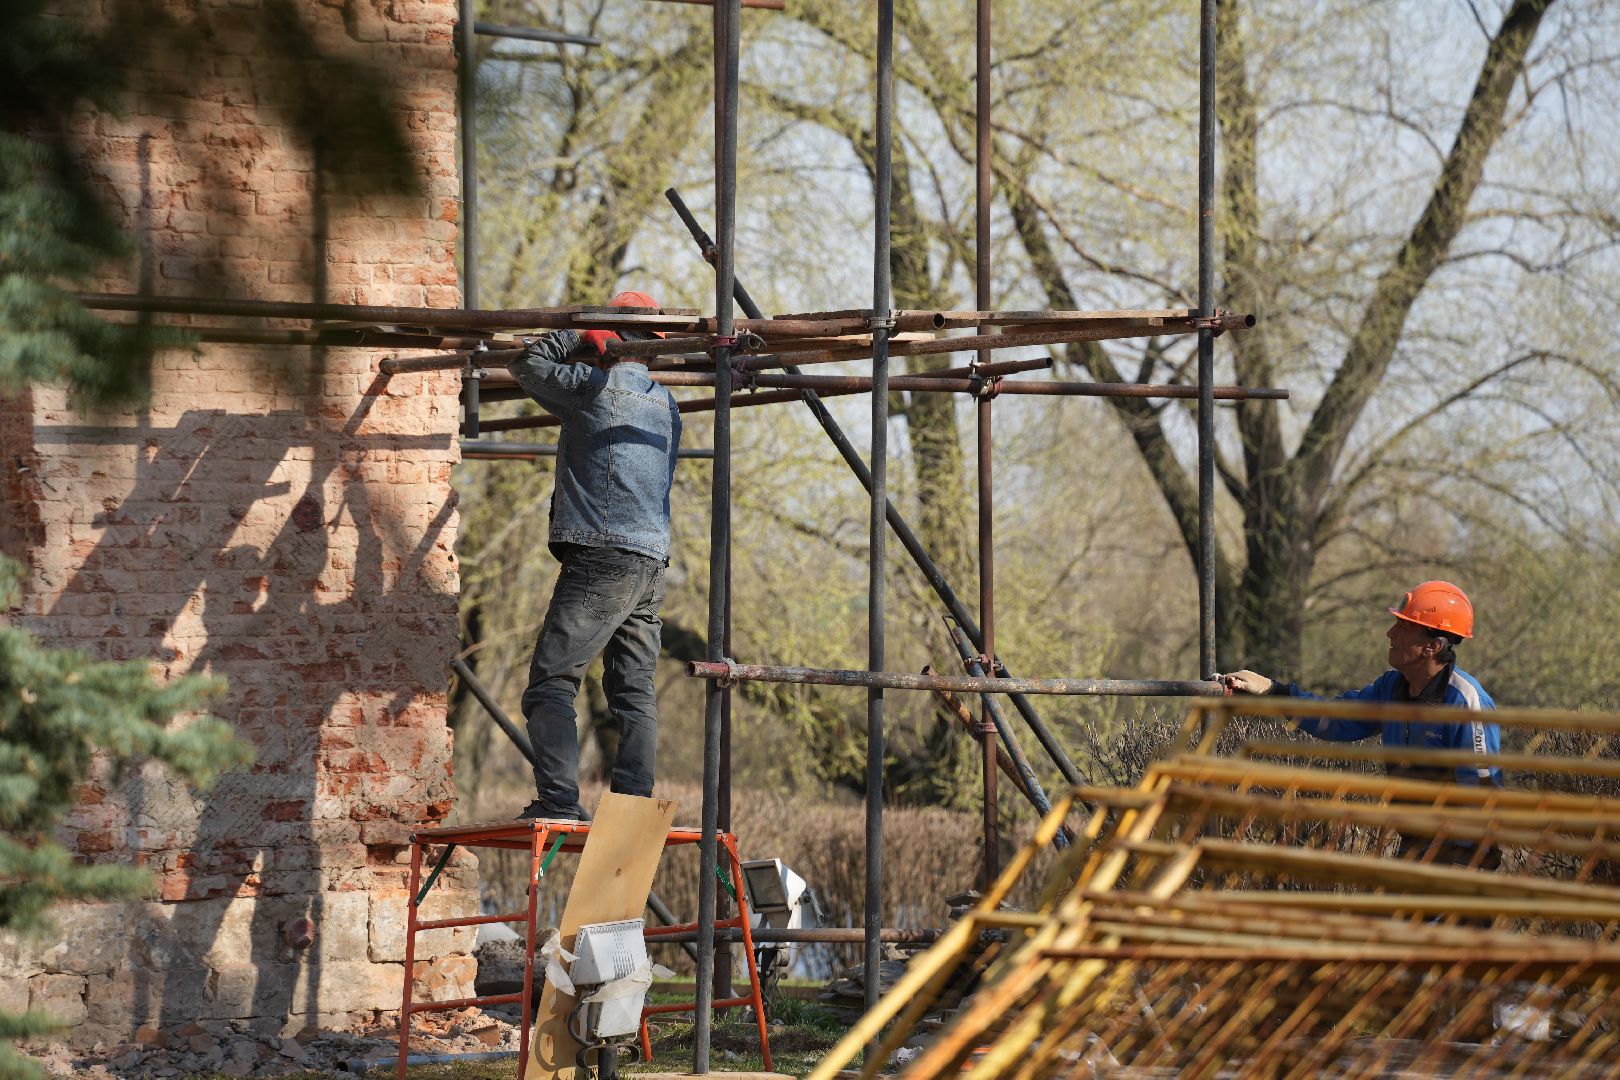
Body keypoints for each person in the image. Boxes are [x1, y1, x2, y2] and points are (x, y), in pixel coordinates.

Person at [508, 290, 681, 821]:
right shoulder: (668, 405)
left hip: (601, 557)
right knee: (633, 694)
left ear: (610, 339)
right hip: (649, 564)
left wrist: (578, 334)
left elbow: (526, 363)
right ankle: (631, 812)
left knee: (551, 684)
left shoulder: (593, 388)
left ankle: (559, 802)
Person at [1223, 580, 1502, 865]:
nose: (1390, 633)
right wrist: (1273, 690)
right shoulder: (1391, 687)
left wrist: (1460, 868)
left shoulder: (1466, 702)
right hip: (1415, 844)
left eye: (1403, 627)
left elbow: (1480, 794)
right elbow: (1336, 720)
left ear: (1432, 646)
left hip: (1462, 855)